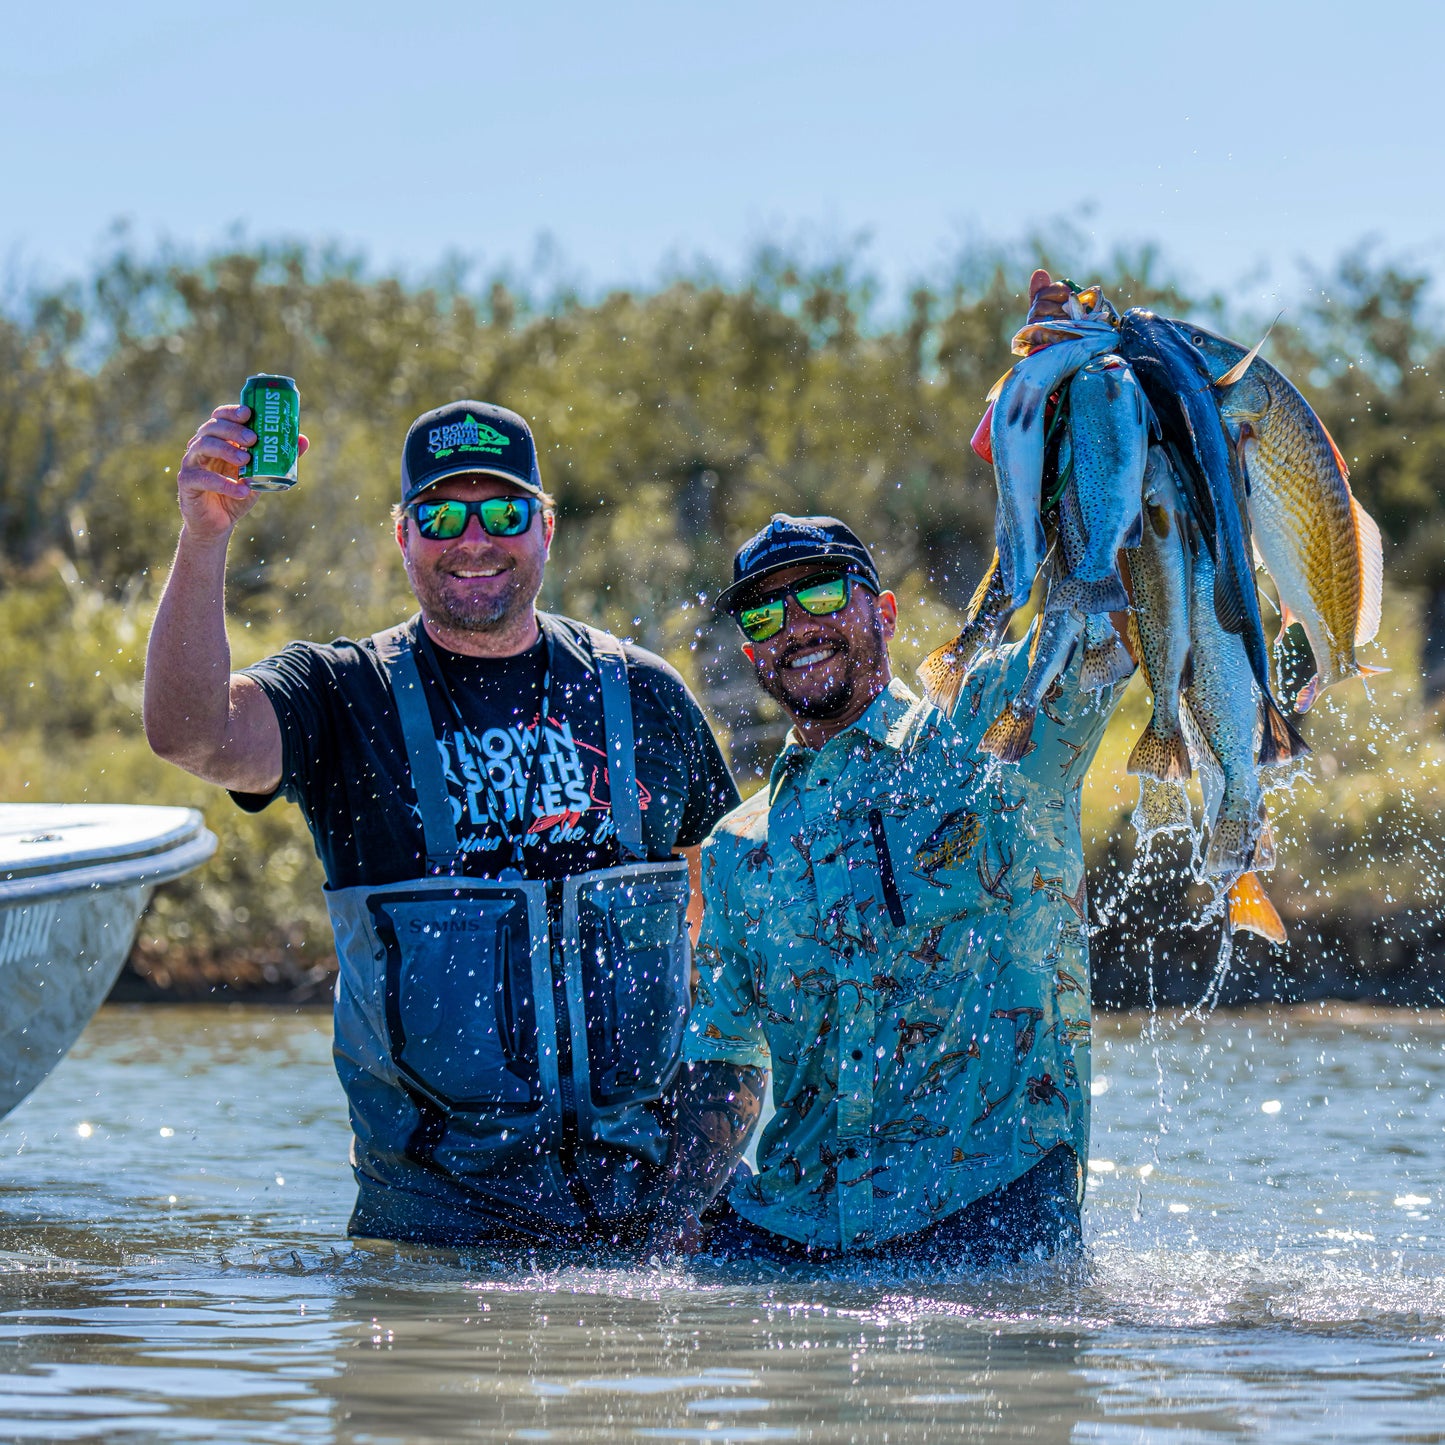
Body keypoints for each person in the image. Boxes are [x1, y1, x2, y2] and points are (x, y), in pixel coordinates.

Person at [144, 398, 740, 1247]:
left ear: (545, 529)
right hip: (432, 1248)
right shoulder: (340, 695)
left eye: (503, 511)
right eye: (440, 515)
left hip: (654, 1230)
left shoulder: (646, 694)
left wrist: (695, 1188)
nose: (473, 539)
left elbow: (735, 951)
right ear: (402, 536)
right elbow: (190, 733)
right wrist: (205, 535)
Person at [653, 503, 1132, 1264]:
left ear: (884, 613)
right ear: (750, 652)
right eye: (764, 608)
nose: (794, 622)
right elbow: (727, 1061)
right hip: (790, 1240)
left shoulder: (994, 732)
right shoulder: (735, 849)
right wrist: (674, 1218)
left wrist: (1106, 448)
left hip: (990, 1223)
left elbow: (1113, 614)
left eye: (818, 593)